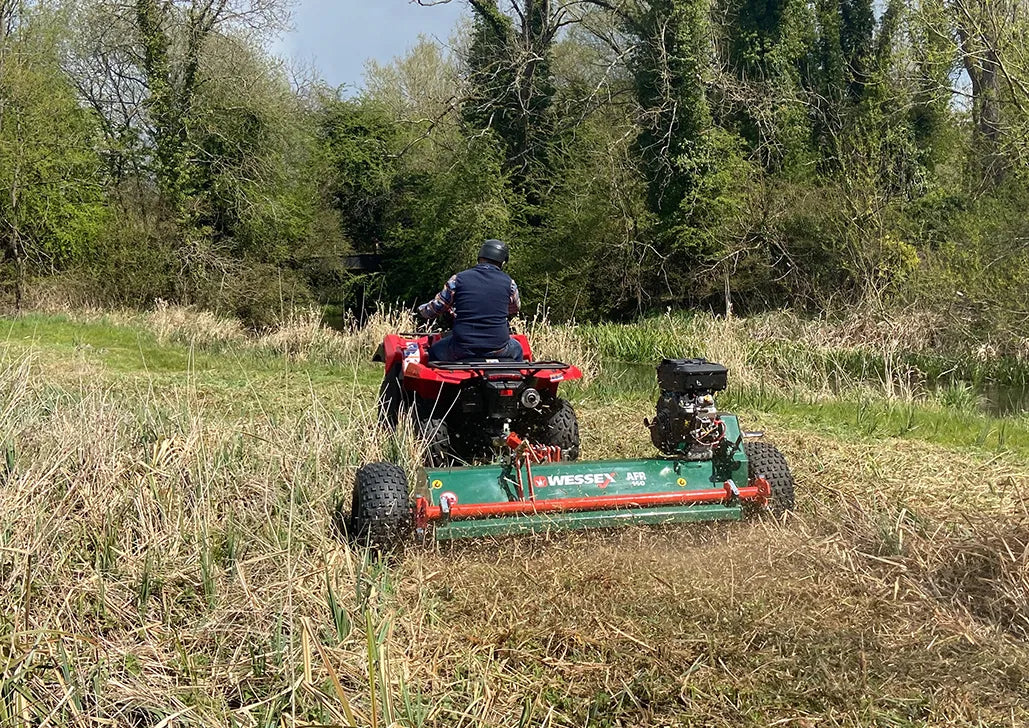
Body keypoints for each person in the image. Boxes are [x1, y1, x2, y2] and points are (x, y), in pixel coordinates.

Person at [418, 239, 523, 362]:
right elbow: (514, 308)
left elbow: (436, 308)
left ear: (480, 257)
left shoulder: (458, 279)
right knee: (518, 349)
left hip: (462, 347)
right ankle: (520, 379)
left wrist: (422, 310)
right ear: (502, 262)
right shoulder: (510, 283)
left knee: (434, 351)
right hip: (499, 348)